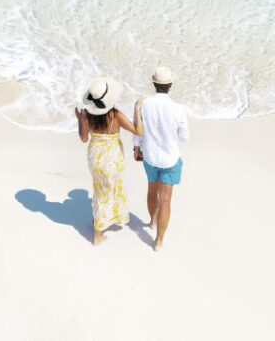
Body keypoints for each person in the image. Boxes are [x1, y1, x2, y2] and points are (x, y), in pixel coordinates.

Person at [73, 78, 141, 245]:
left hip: (95, 156)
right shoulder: (115, 115)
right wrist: (137, 110)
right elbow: (138, 131)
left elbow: (84, 138)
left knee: (100, 189)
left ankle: (100, 219)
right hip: (112, 157)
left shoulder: (87, 115)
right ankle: (98, 233)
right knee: (111, 190)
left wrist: (80, 120)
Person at [132, 67, 192, 250]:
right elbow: (184, 137)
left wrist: (136, 149)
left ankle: (152, 221)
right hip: (170, 159)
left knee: (152, 190)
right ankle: (158, 241)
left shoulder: (143, 104)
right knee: (165, 200)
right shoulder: (178, 109)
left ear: (154, 83)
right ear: (170, 85)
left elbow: (138, 131)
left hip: (149, 156)